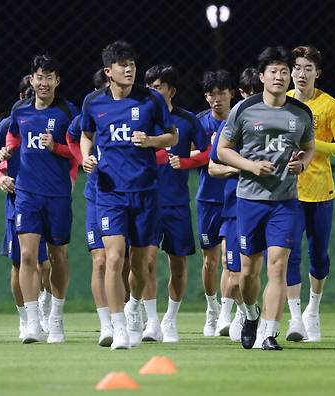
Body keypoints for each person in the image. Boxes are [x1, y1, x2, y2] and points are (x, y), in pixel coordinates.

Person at [80, 41, 177, 350]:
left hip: (146, 191)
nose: (130, 69)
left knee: (143, 263)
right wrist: (86, 157)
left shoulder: (151, 100)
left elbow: (172, 136)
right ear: (109, 71)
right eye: (122, 65)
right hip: (110, 193)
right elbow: (85, 134)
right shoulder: (93, 103)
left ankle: (141, 311)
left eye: (132, 63)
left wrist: (151, 140)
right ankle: (118, 328)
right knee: (112, 257)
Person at [217, 46, 315, 351]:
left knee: (278, 265)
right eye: (273, 71)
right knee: (248, 272)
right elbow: (223, 150)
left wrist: (303, 163)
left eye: (284, 71)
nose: (280, 76)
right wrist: (250, 166)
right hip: (249, 200)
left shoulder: (301, 113)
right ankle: (250, 313)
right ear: (261, 77)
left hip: (285, 202)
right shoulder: (244, 109)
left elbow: (309, 146)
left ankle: (268, 332)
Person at [4, 54, 78, 344]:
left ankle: (56, 318)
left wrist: (57, 147)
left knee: (58, 257)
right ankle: (33, 323)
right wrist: (9, 151)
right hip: (26, 193)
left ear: (57, 81)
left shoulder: (68, 112)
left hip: (58, 194)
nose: (44, 82)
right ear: (31, 80)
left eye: (50, 77)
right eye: (39, 76)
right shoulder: (20, 110)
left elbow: (78, 151)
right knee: (26, 256)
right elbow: (13, 137)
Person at [285, 45, 335, 342]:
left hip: (321, 191)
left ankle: (313, 310)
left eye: (307, 68)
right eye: (297, 67)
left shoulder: (330, 105)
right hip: (287, 192)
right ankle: (295, 318)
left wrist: (313, 144)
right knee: (288, 254)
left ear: (317, 73)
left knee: (318, 256)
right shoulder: (281, 102)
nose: (301, 74)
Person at [141, 64, 207, 343]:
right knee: (148, 261)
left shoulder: (188, 120)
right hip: (146, 200)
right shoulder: (139, 119)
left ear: (172, 90)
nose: (152, 91)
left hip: (177, 203)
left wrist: (186, 162)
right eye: (149, 87)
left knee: (178, 264)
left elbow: (208, 153)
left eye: (158, 86)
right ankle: (151, 321)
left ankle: (170, 319)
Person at [0, 75, 52, 341]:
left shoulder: (50, 121)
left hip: (47, 197)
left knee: (47, 263)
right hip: (18, 202)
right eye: (26, 95)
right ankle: (25, 317)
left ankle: (44, 304)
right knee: (20, 261)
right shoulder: (8, 124)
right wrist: (1, 176)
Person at [208, 67, 263, 342]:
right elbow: (213, 168)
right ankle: (238, 313)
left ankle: (252, 316)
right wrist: (243, 167)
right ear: (242, 94)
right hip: (233, 207)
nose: (255, 98)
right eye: (250, 93)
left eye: (258, 93)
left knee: (253, 267)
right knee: (232, 267)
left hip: (263, 205)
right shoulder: (231, 125)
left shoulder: (273, 125)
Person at [66, 68, 115, 347]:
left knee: (122, 260)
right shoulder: (87, 114)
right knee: (100, 260)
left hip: (123, 192)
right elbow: (73, 139)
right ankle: (106, 323)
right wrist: (82, 158)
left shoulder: (132, 109)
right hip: (96, 195)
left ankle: (128, 313)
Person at [196, 70, 233, 337]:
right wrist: (207, 151)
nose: (216, 99)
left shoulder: (242, 120)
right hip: (208, 198)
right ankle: (211, 309)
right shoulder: (199, 123)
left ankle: (225, 313)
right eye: (211, 94)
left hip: (235, 198)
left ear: (231, 93)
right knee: (210, 261)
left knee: (230, 260)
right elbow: (183, 153)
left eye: (221, 92)